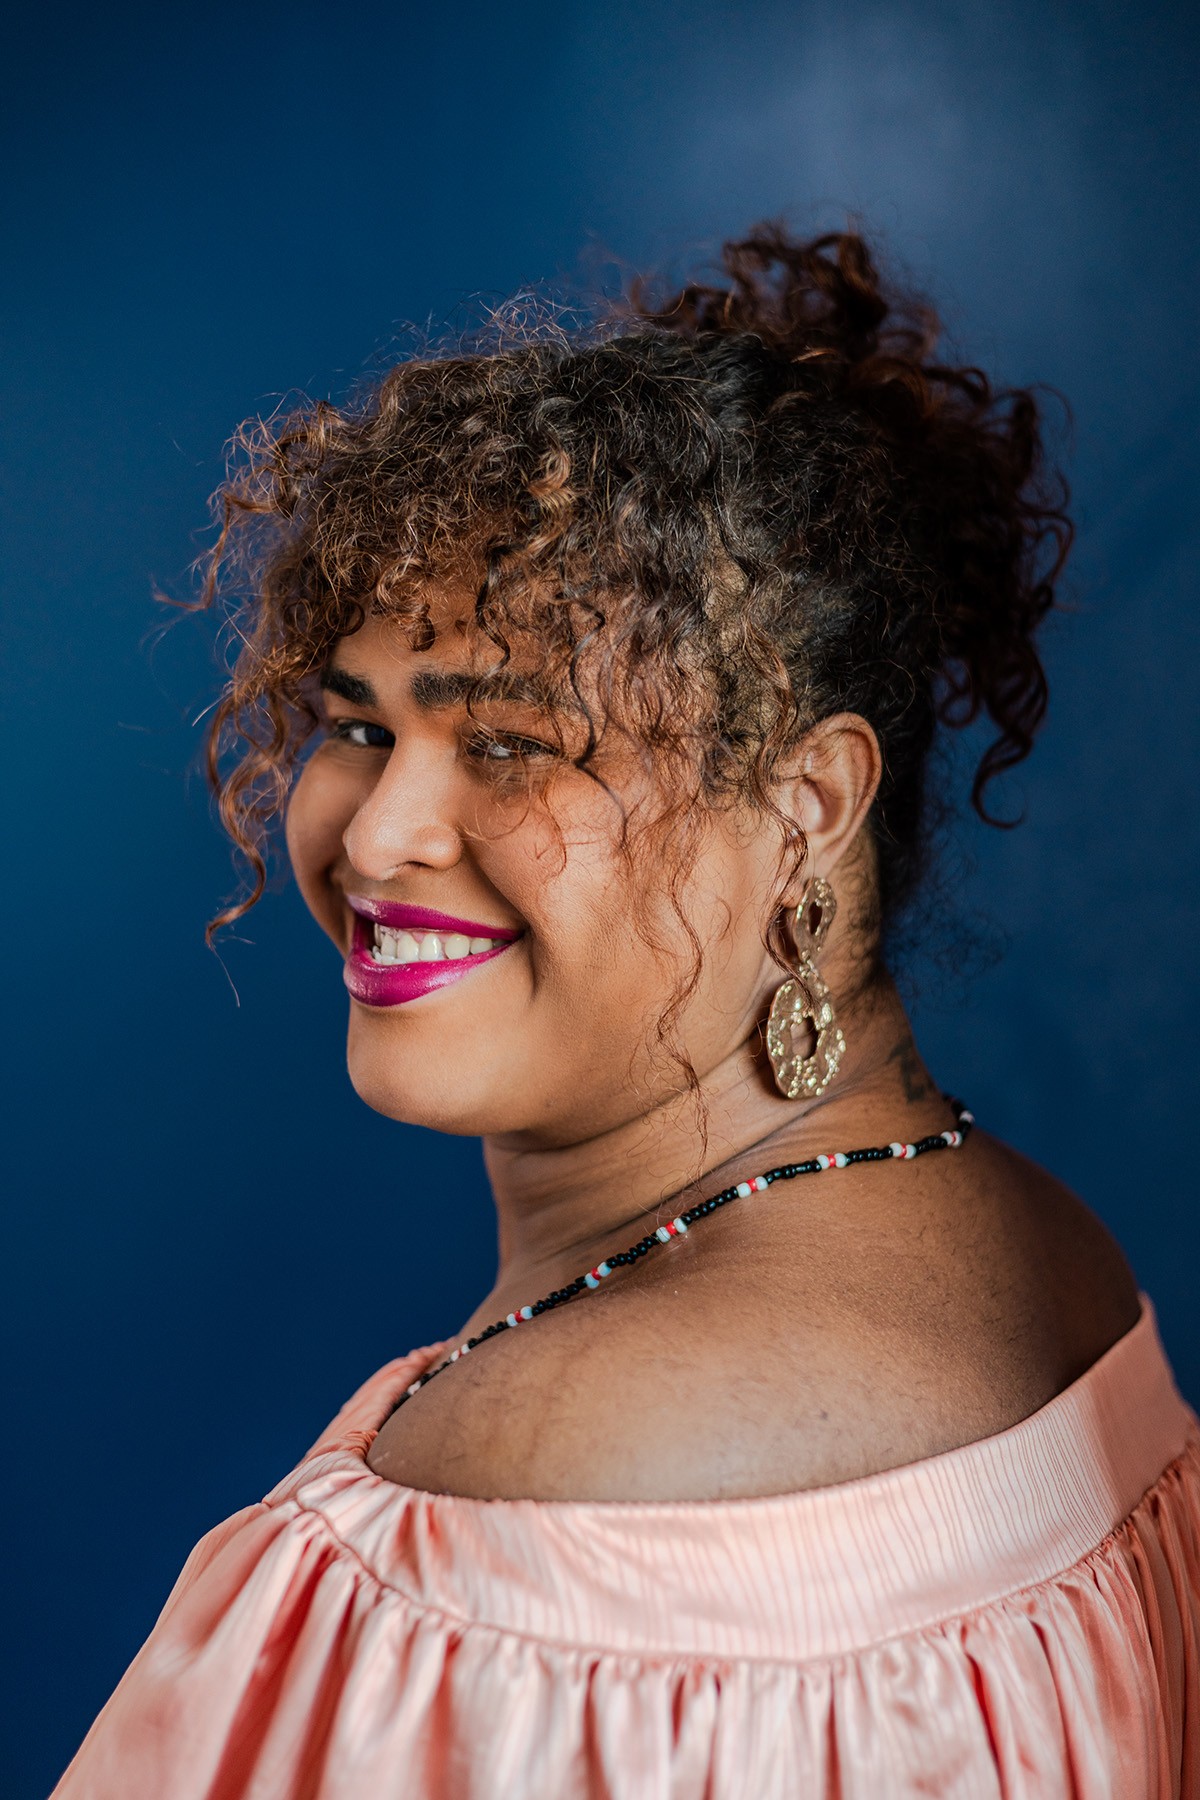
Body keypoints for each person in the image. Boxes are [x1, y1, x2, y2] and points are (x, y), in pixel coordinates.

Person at [52, 226, 1199, 1799]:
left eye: (513, 741)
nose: (379, 835)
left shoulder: (538, 1521)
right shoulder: (1049, 1265)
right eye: (354, 726)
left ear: (805, 806)